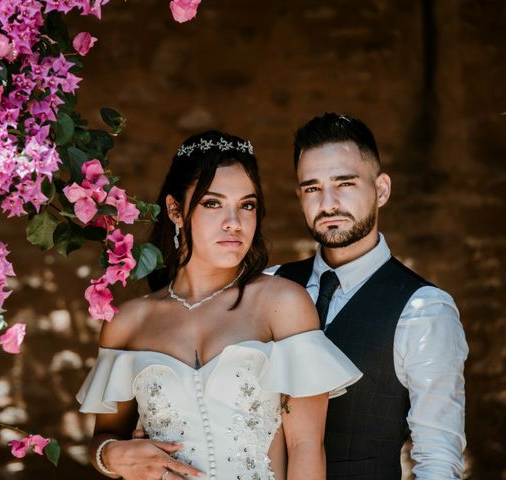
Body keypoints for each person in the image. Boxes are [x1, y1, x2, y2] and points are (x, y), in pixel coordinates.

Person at [76, 130, 361, 480]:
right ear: (175, 210)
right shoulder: (129, 322)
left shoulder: (282, 304)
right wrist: (112, 456)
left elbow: (305, 448)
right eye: (213, 203)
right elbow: (104, 439)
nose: (235, 222)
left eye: (247, 205)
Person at [268, 113, 468, 479]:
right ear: (299, 196)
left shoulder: (424, 311)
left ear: (381, 189)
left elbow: (438, 459)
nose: (327, 204)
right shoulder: (266, 285)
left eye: (344, 184)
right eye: (312, 188)